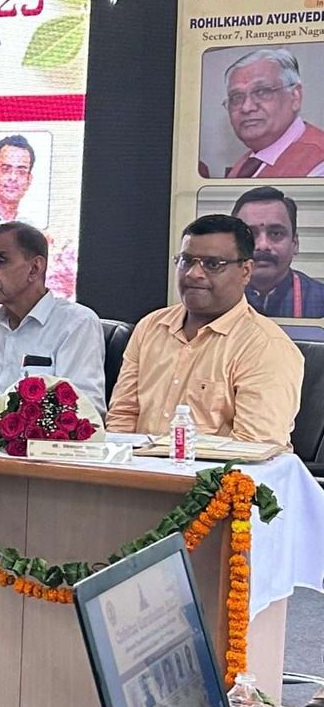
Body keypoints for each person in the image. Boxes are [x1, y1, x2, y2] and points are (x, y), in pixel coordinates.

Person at [107, 214, 303, 447]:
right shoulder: (151, 326)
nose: (193, 273)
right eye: (186, 261)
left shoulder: (266, 346)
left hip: (217, 471)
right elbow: (122, 416)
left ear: (246, 271)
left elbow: (255, 448)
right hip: (139, 466)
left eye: (212, 264)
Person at [0, 222, 106, 413]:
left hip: (31, 434)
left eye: (0, 261)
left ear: (34, 268)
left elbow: (87, 412)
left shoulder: (76, 323)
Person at [221, 48, 324, 179]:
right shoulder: (247, 162)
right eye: (237, 97)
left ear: (295, 97)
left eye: (262, 91)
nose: (247, 107)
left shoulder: (318, 161)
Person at [232, 185, 324, 318]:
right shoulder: (212, 298)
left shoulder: (320, 300)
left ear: (295, 243)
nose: (262, 245)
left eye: (276, 233)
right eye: (249, 234)